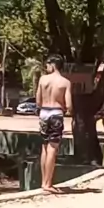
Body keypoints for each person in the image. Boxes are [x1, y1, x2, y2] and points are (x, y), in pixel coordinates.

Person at [36, 54, 72, 193]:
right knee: (53, 148)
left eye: (47, 64)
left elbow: (38, 101)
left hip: (44, 113)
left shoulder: (42, 79)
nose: (46, 67)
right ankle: (48, 183)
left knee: (44, 147)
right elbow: (69, 105)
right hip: (56, 113)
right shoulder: (65, 82)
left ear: (52, 65)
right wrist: (66, 109)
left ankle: (43, 182)